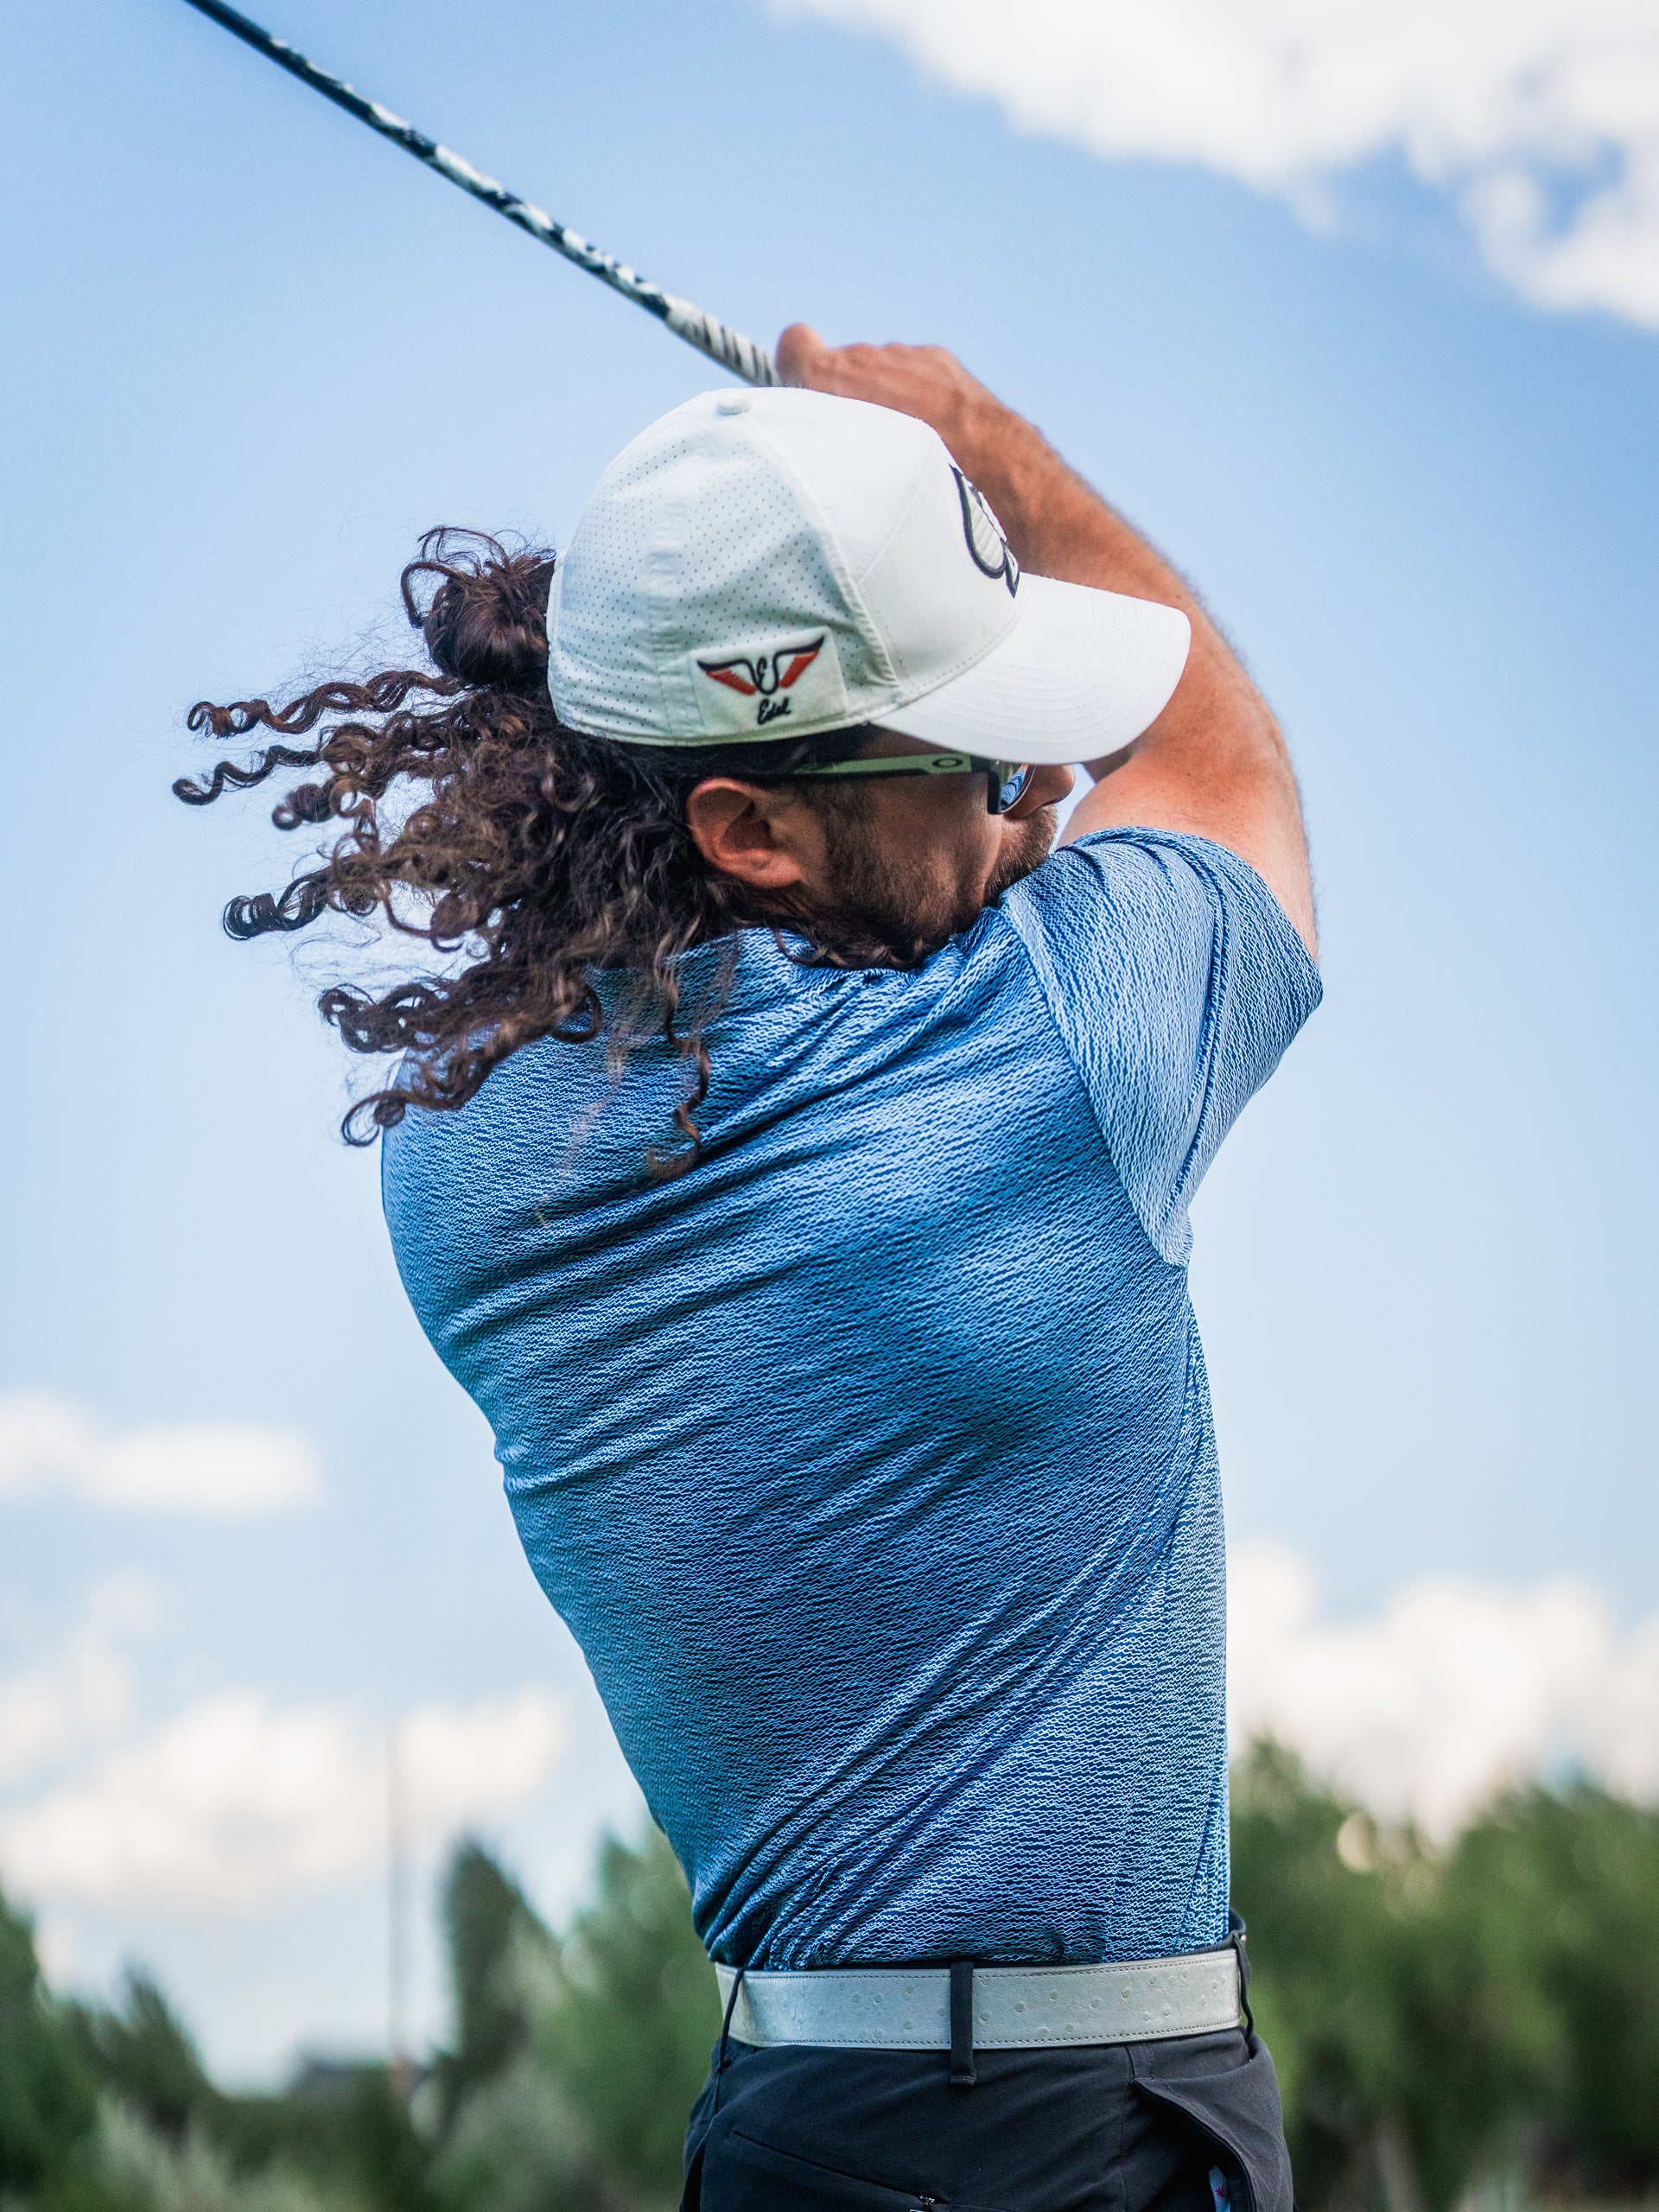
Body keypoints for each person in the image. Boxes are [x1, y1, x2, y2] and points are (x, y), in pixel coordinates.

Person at [179, 326, 1320, 2212]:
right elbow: (1219, 760)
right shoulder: (1051, 1053)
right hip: (1106, 2138)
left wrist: (890, 707)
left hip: (791, 2135)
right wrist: (971, 444)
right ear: (751, 826)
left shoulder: (463, 1168)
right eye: (965, 751)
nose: (1029, 785)